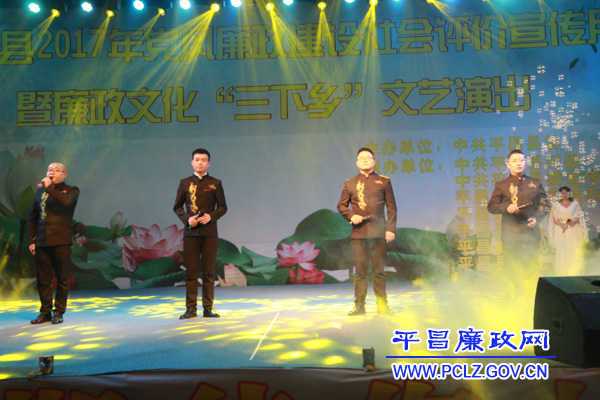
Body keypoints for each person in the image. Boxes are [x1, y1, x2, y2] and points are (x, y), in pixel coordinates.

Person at [337, 147, 397, 316]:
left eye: (368, 157)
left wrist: (390, 229)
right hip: (358, 234)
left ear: (374, 161)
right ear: (357, 162)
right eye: (361, 158)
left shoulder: (384, 181)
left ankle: (382, 305)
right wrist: (351, 215)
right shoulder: (350, 183)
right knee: (360, 271)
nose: (364, 160)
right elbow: (341, 205)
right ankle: (359, 305)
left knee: (379, 271)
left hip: (378, 232)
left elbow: (392, 208)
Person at [174, 148, 227, 319]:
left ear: (208, 163)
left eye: (203, 160)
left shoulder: (215, 183)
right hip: (190, 234)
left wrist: (211, 217)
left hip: (210, 233)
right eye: (197, 160)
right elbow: (177, 207)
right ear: (192, 162)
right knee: (191, 272)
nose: (200, 163)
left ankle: (208, 308)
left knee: (209, 272)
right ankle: (191, 309)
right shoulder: (185, 183)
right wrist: (187, 219)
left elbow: (222, 207)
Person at [487, 149, 547, 294]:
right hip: (510, 235)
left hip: (531, 233)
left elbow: (545, 205)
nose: (518, 163)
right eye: (514, 161)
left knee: (531, 265)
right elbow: (491, 206)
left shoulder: (535, 183)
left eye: (521, 160)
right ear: (508, 164)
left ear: (525, 163)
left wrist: (537, 218)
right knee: (511, 266)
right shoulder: (501, 185)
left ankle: (532, 295)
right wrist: (506, 207)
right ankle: (512, 296)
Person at [28, 163, 80, 324]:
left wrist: (50, 188)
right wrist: (32, 240)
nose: (52, 173)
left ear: (64, 174)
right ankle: (45, 312)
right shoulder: (40, 191)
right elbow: (33, 217)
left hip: (61, 241)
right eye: (50, 170)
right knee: (43, 280)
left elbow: (66, 203)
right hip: (42, 241)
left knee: (62, 279)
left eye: (57, 170)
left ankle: (59, 312)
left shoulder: (71, 190)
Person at [546, 186, 589, 276]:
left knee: (573, 250)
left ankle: (575, 273)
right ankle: (562, 274)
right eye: (562, 193)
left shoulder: (575, 204)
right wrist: (560, 224)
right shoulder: (556, 205)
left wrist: (574, 222)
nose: (564, 195)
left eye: (566, 193)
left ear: (569, 194)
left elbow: (580, 217)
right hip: (560, 229)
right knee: (562, 252)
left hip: (572, 229)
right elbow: (553, 219)